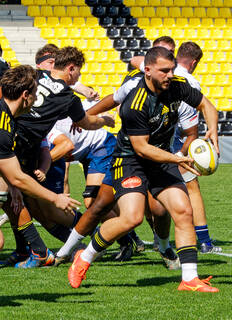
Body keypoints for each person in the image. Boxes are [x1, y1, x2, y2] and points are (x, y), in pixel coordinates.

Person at [68, 47, 220, 292]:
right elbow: (141, 148)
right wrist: (176, 159)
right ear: (147, 71)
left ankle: (190, 279)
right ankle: (84, 257)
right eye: (164, 71)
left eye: (171, 69)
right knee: (132, 218)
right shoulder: (136, 103)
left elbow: (207, 106)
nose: (170, 75)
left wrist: (212, 129)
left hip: (161, 157)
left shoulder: (177, 85)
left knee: (183, 210)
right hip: (130, 160)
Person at [2, 47, 112, 268]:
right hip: (23, 147)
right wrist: (104, 120)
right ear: (71, 69)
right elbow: (87, 123)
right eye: (78, 72)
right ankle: (35, 249)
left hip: (25, 148)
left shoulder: (34, 75)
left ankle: (38, 250)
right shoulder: (68, 98)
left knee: (23, 201)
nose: (79, 77)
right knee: (19, 200)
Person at [0, 65, 81, 267]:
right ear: (25, 95)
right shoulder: (4, 127)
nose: (37, 99)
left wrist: (12, 186)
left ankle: (35, 251)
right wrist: (55, 198)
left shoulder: (9, 119)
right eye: (36, 93)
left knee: (9, 199)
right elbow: (18, 177)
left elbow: (13, 175)